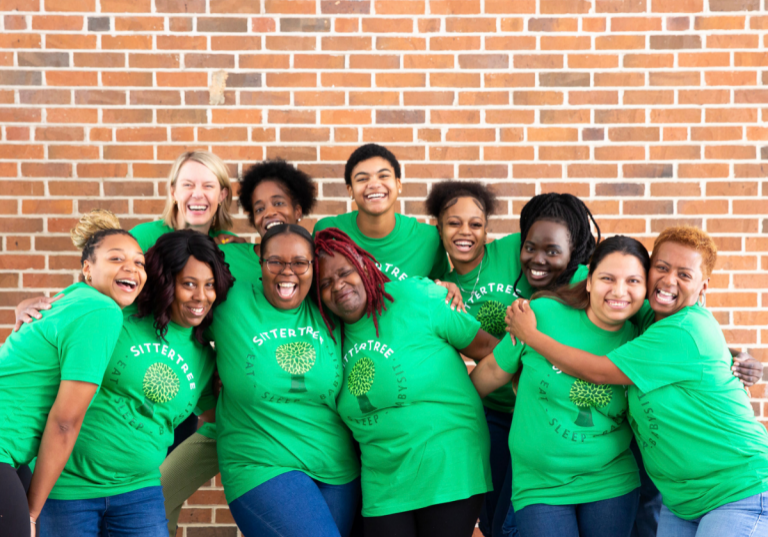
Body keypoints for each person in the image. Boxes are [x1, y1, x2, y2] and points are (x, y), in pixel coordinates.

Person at [506, 226, 768, 537]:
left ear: (703, 287)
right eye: (662, 268)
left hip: (740, 489)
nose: (669, 280)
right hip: (684, 501)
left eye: (684, 275)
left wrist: (532, 337)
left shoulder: (683, 329)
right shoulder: (650, 315)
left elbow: (600, 371)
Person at [425, 186, 601, 537]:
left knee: (514, 518)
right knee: (494, 519)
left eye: (475, 224)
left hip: (540, 416)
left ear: (487, 228)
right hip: (493, 411)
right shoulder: (441, 288)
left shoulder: (517, 253)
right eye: (453, 223)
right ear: (438, 229)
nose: (465, 232)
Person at [35, 229, 233, 537]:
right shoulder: (115, 317)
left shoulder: (205, 357)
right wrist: (28, 309)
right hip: (67, 488)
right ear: (167, 283)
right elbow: (48, 336)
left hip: (140, 494)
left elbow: (213, 419)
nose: (201, 297)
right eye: (189, 284)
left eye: (209, 286)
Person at [158, 159, 318, 537]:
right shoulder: (227, 254)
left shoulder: (311, 262)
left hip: (291, 424)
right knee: (156, 493)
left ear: (299, 208)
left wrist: (442, 287)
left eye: (278, 203)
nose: (269, 213)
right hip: (212, 401)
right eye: (259, 208)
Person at [314, 228, 499, 537]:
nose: (338, 286)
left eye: (345, 272)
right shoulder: (328, 335)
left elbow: (487, 349)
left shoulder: (416, 296)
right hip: (382, 478)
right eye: (325, 283)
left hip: (447, 465)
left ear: (363, 263)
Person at [472, 236, 653, 537]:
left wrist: (733, 360)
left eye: (633, 280)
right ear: (589, 281)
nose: (619, 291)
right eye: (607, 278)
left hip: (610, 480)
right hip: (540, 484)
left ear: (645, 290)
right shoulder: (540, 315)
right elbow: (492, 370)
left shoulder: (641, 339)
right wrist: (448, 408)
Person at [0, 210, 145, 537]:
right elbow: (65, 422)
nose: (132, 267)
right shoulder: (101, 310)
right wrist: (33, 515)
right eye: (116, 258)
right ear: (87, 269)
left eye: (140, 262)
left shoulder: (72, 297)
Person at [211, 224, 360, 537]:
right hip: (261, 464)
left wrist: (443, 288)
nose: (287, 272)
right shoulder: (229, 301)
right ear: (261, 264)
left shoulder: (328, 307)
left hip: (337, 468)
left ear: (312, 267)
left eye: (299, 263)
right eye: (275, 261)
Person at [313, 143, 449, 281]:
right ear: (350, 190)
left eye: (383, 176)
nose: (374, 184)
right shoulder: (328, 231)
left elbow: (441, 290)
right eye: (362, 179)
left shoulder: (429, 239)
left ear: (398, 184)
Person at [130, 150, 237, 252]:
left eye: (208, 186)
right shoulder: (141, 238)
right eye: (187, 185)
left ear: (222, 195)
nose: (197, 195)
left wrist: (240, 250)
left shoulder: (229, 243)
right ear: (173, 193)